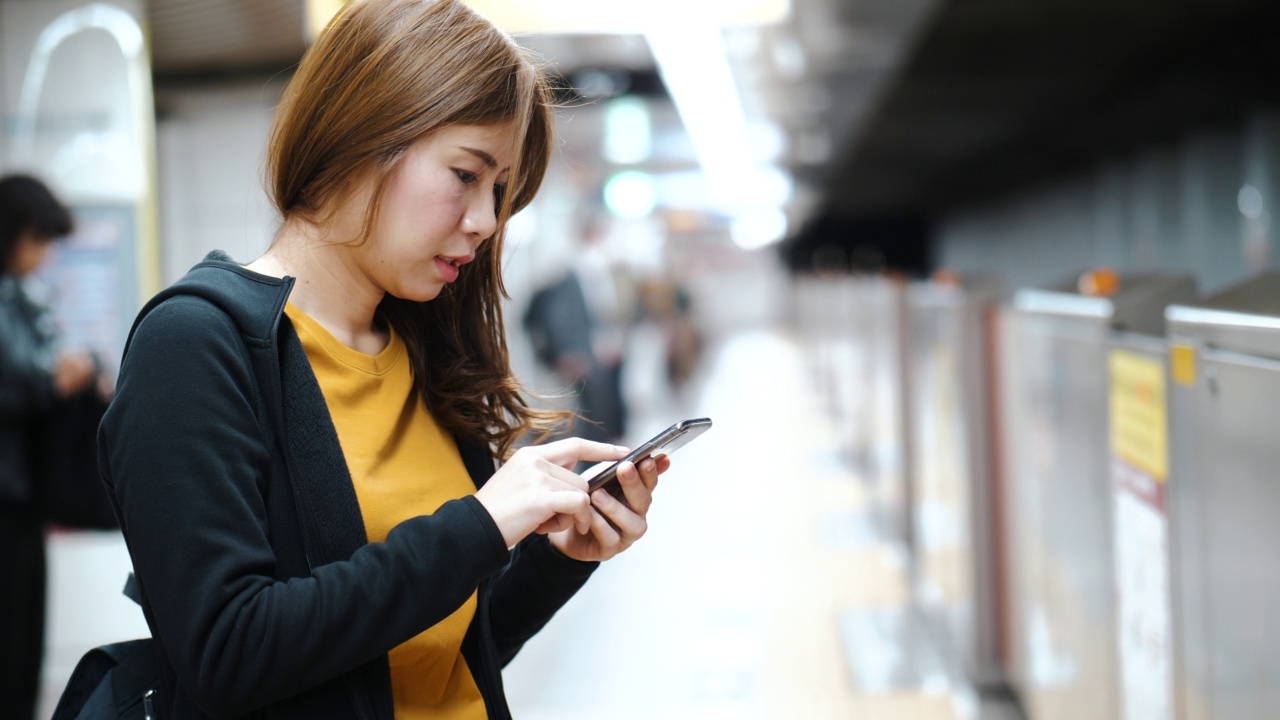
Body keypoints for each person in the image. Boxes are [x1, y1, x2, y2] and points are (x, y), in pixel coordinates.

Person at [96, 1, 669, 719]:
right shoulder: (196, 345)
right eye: (466, 173)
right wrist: (478, 528)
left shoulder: (424, 351)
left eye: (499, 191)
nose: (487, 220)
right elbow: (227, 652)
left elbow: (443, 651)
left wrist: (557, 562)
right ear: (362, 135)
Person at [0, 173, 100, 719]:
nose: (41, 256)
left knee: (23, 642)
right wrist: (51, 379)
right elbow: (17, 377)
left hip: (24, 494)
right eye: (35, 240)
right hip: (7, 495)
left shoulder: (24, 296)